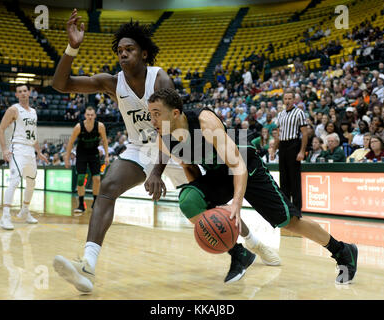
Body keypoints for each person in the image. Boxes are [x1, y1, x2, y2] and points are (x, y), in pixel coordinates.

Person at [145, 88, 358, 285]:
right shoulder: (164, 137)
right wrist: (204, 205)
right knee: (188, 200)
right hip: (218, 175)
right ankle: (239, 254)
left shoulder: (204, 122)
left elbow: (237, 165)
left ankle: (342, 250)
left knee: (289, 222)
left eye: (156, 113)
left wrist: (236, 203)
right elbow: (189, 167)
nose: (152, 119)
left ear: (174, 113)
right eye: (150, 114)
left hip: (246, 165)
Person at [52, 10, 176, 293]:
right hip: (138, 148)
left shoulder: (161, 80)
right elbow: (61, 85)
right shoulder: (112, 82)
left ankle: (247, 244)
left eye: (129, 49)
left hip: (174, 145)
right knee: (107, 186)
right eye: (119, 50)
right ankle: (88, 265)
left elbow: (173, 131)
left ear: (144, 54)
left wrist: (158, 170)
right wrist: (73, 47)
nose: (123, 54)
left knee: (206, 204)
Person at [0, 84, 49, 230]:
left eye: (25, 91)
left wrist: (39, 152)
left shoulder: (33, 112)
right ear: (16, 95)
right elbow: (0, 129)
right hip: (18, 149)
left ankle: (25, 211)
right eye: (19, 91)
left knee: (31, 183)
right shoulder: (13, 109)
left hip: (30, 150)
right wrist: (4, 149)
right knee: (14, 181)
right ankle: (5, 217)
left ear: (29, 93)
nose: (23, 93)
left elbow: (34, 136)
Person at [65, 106, 110, 213]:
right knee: (81, 179)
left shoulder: (100, 126)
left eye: (92, 115)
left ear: (95, 115)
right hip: (81, 153)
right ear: (85, 115)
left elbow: (104, 141)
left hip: (94, 153)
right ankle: (81, 205)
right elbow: (71, 142)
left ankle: (95, 202)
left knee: (97, 179)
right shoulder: (78, 127)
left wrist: (107, 155)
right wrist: (67, 158)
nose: (90, 117)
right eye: (88, 115)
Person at [271, 90, 308, 211]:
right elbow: (278, 134)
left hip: (294, 144)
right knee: (284, 178)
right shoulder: (280, 114)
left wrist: (302, 151)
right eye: (285, 99)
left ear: (294, 100)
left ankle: (297, 209)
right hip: (282, 145)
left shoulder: (299, 113)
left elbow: (305, 134)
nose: (287, 101)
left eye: (289, 99)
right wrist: (273, 149)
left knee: (294, 179)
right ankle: (287, 209)